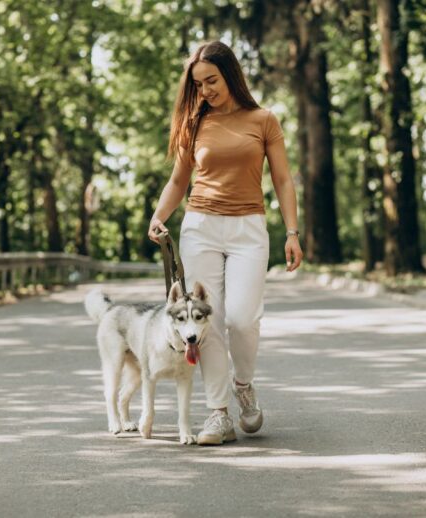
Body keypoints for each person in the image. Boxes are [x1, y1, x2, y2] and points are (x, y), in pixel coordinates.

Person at [147, 41, 303, 446]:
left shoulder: (263, 120)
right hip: (200, 227)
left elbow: (282, 179)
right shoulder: (194, 124)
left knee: (242, 319)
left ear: (231, 75)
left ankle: (243, 385)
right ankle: (218, 413)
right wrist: (158, 216)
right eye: (198, 85)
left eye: (212, 81)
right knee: (208, 323)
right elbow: (178, 180)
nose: (205, 91)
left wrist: (292, 232)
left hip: (249, 229)